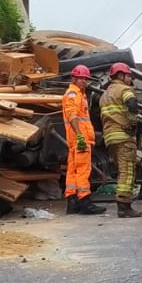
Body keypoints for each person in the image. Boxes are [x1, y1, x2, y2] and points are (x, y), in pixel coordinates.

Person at [98, 62, 142, 218]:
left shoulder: (105, 94)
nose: (130, 79)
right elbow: (132, 103)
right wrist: (133, 123)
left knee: (121, 171)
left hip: (110, 137)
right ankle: (124, 206)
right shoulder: (124, 89)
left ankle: (123, 204)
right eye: (129, 76)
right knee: (128, 171)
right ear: (121, 76)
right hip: (123, 136)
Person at [62, 65, 104, 214]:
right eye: (81, 78)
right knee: (83, 170)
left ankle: (72, 202)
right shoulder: (74, 94)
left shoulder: (78, 94)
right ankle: (85, 202)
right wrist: (80, 135)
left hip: (75, 139)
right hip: (80, 139)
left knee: (73, 170)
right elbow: (72, 116)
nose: (83, 81)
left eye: (85, 79)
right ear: (74, 78)